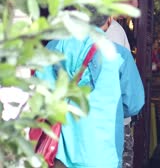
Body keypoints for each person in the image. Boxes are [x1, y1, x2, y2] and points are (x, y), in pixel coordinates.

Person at [35, 9, 145, 168]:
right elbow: (134, 104)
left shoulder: (53, 48)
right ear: (108, 20)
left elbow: (39, 96)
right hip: (104, 155)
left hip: (59, 152)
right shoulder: (120, 56)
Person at [105, 0, 140, 168]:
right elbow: (123, 84)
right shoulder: (112, 31)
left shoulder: (113, 27)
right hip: (113, 121)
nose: (135, 4)